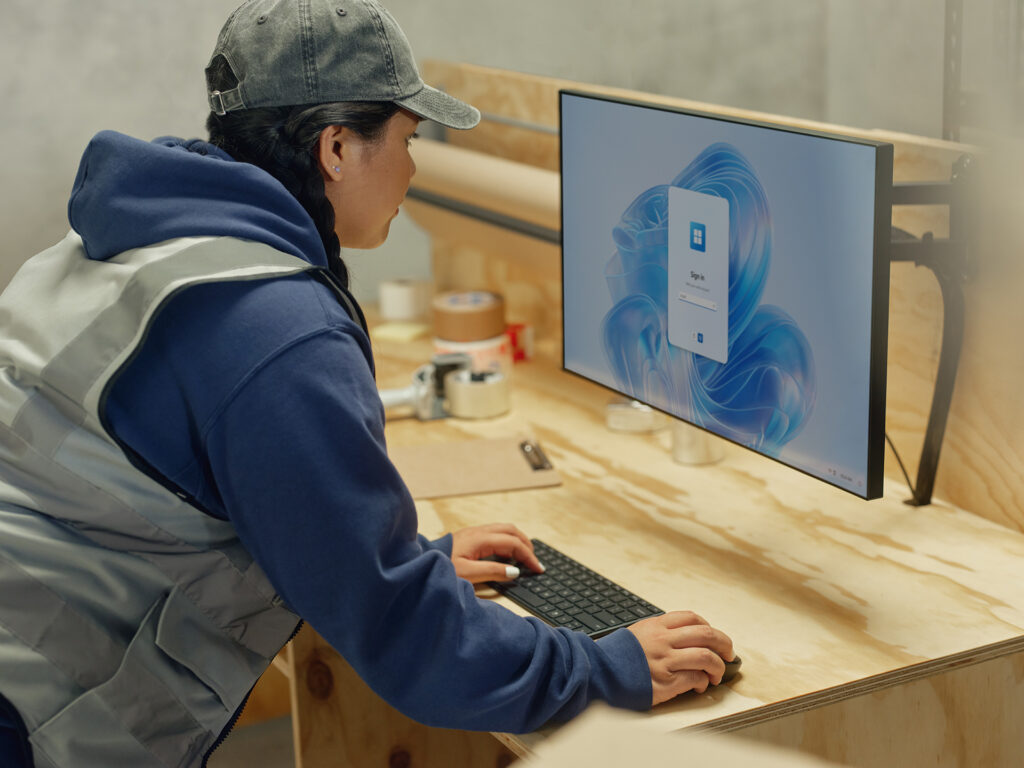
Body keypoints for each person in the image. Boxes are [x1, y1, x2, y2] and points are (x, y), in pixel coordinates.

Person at [0, 1, 735, 766]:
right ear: (338, 147)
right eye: (409, 139)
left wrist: (387, 559)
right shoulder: (273, 324)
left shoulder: (151, 240)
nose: (414, 169)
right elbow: (402, 636)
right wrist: (604, 666)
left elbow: (223, 491)